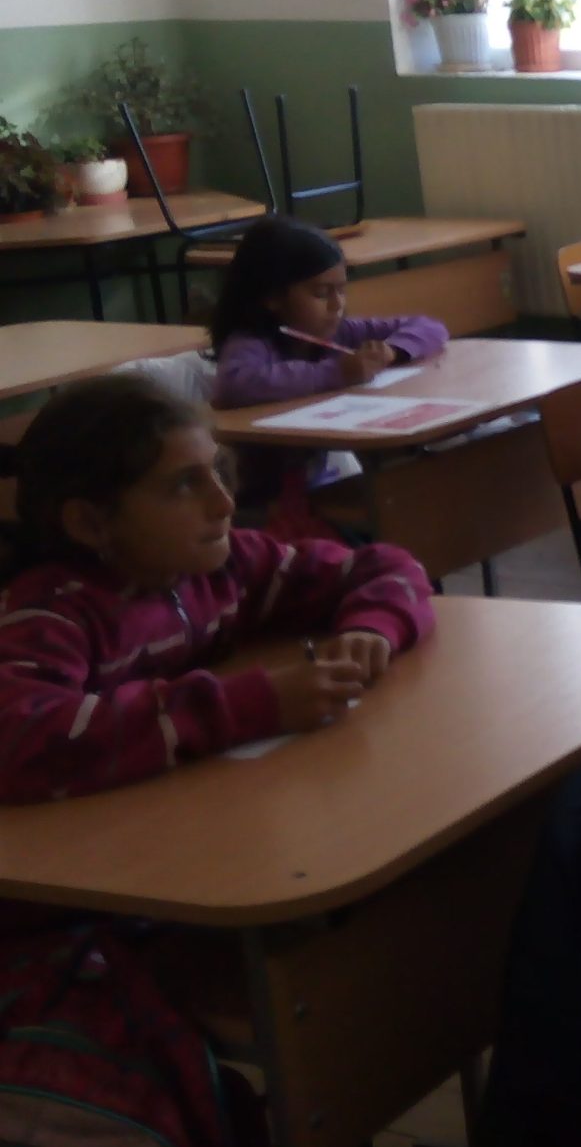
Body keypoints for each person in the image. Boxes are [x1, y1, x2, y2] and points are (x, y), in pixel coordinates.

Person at [0, 374, 434, 804]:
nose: (224, 503)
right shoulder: (46, 616)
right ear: (90, 523)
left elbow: (390, 568)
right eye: (184, 485)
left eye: (218, 471)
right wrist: (246, 707)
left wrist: (371, 628)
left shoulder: (227, 568)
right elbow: (20, 739)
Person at [208, 217, 449, 512]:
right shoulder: (250, 341)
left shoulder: (340, 331)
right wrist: (336, 372)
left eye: (342, 290)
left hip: (319, 486)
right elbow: (234, 384)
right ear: (272, 296)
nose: (337, 305)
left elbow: (430, 326)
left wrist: (392, 350)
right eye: (321, 293)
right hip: (264, 503)